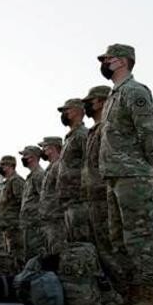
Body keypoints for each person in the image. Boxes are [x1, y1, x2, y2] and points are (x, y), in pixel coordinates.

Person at [98, 43, 153, 305]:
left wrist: (144, 163)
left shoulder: (135, 91)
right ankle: (132, 295)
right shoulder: (115, 95)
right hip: (114, 174)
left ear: (123, 61)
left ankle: (149, 297)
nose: (104, 63)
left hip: (132, 173)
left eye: (108, 59)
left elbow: (148, 130)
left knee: (138, 237)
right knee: (118, 238)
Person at [81, 85, 127, 294]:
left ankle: (126, 291)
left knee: (111, 245)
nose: (86, 105)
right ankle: (117, 292)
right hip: (92, 197)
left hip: (103, 195)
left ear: (100, 101)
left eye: (90, 101)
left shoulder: (107, 128)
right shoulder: (93, 131)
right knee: (100, 247)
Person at [56, 99, 91, 243]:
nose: (64, 114)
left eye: (67, 110)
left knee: (81, 240)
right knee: (72, 241)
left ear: (78, 111)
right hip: (69, 199)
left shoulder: (83, 135)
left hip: (79, 198)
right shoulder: (71, 137)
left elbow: (90, 163)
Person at [0, 155, 25, 269]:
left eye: (3, 165)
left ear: (10, 166)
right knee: (11, 254)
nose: (1, 168)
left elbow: (22, 201)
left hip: (15, 225)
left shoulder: (16, 181)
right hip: (8, 226)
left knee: (17, 254)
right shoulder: (7, 182)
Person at [18, 145, 46, 262]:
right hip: (29, 224)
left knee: (36, 256)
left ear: (33, 157)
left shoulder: (39, 175)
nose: (23, 158)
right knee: (29, 256)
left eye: (25, 155)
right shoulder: (31, 176)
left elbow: (44, 198)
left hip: (36, 224)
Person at [38, 136, 66, 255]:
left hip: (56, 216)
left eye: (45, 147)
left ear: (53, 148)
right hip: (49, 216)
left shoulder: (59, 165)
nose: (43, 150)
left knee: (58, 250)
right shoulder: (50, 167)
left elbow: (62, 189)